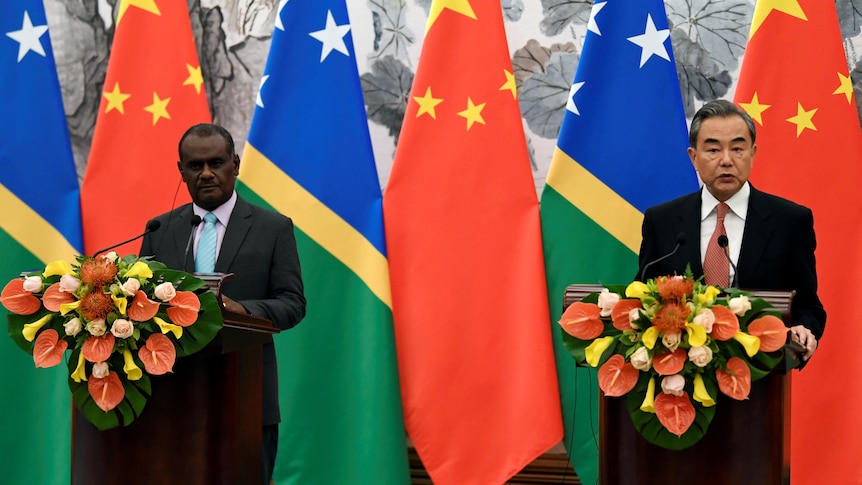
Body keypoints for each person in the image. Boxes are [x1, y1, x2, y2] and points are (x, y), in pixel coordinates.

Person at [140, 123, 306, 484]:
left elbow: (292, 303)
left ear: (235, 164)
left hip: (246, 395)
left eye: (216, 163)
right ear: (181, 171)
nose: (207, 174)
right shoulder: (159, 230)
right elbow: (143, 307)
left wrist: (243, 311)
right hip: (173, 399)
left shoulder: (272, 228)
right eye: (195, 166)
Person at [636, 99, 824, 362]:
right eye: (713, 150)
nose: (726, 160)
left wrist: (806, 328)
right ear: (694, 157)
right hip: (677, 378)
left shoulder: (790, 221)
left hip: (760, 378)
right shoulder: (662, 221)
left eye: (737, 149)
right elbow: (643, 296)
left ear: (753, 153)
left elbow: (807, 305)